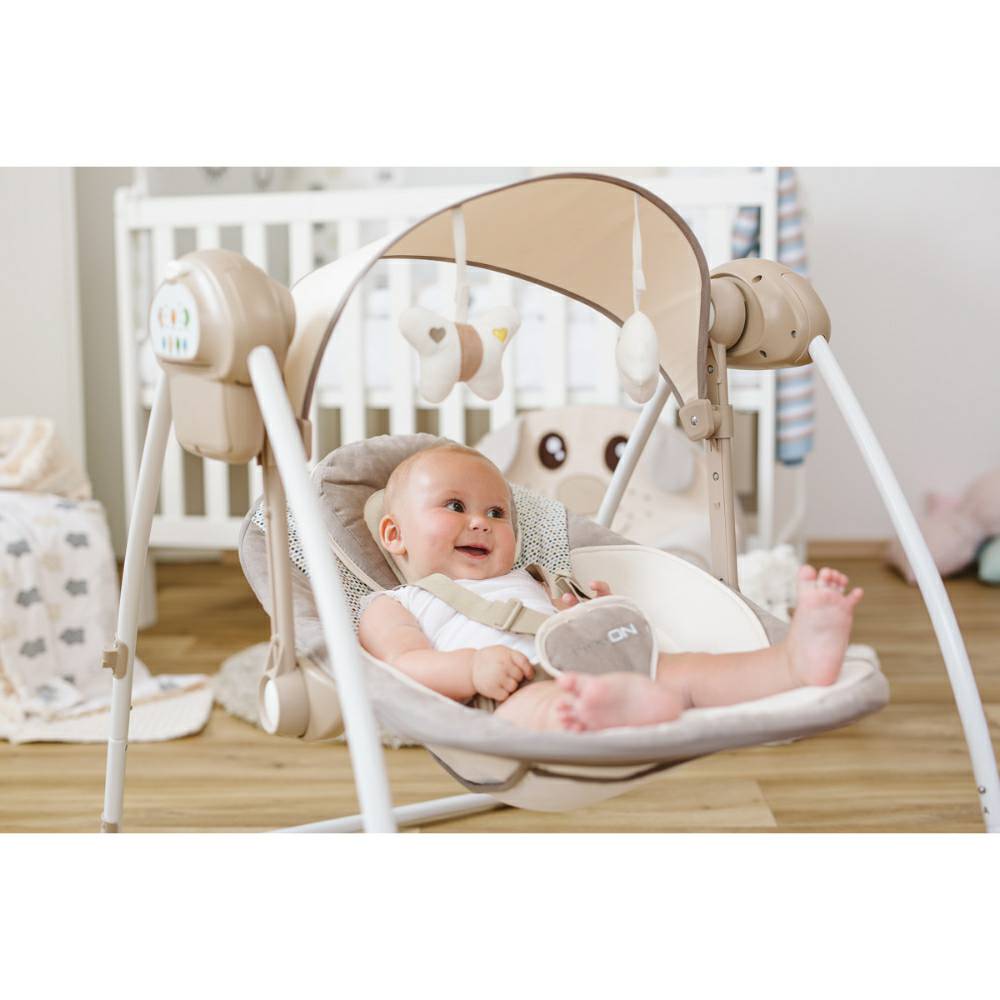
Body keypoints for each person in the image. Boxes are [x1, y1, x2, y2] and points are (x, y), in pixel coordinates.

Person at [357, 444, 864, 732]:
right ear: (394, 535)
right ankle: (607, 712)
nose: (481, 523)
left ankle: (791, 661)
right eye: (454, 506)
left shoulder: (529, 574)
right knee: (538, 712)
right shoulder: (396, 604)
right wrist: (471, 669)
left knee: (690, 669)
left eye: (496, 512)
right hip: (517, 685)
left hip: (596, 654)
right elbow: (403, 666)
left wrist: (587, 608)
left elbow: (562, 620)